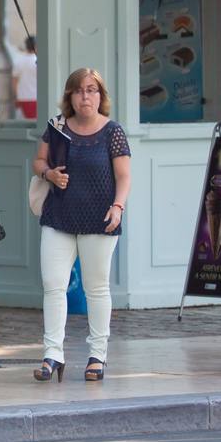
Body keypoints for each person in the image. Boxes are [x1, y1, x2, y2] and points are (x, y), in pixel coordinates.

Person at [31, 68, 130, 384]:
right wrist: (49, 174)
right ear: (69, 96)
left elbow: (124, 176)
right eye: (78, 90)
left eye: (91, 90)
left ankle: (97, 355)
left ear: (101, 96)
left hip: (99, 219)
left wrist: (118, 207)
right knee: (53, 285)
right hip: (59, 216)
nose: (85, 96)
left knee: (96, 288)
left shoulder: (112, 132)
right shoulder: (57, 127)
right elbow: (38, 162)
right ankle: (52, 355)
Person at [9, 35, 36, 120]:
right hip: (36, 98)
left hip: (22, 98)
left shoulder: (18, 60)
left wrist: (16, 97)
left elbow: (14, 81)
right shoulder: (38, 61)